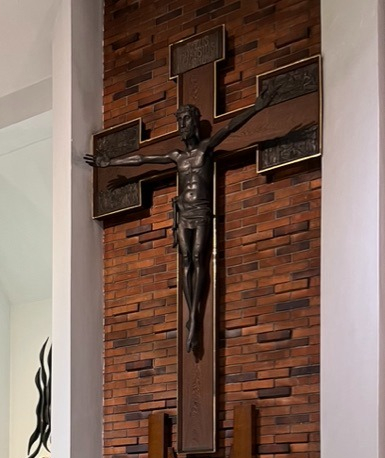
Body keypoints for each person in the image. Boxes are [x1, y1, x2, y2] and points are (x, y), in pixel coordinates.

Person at [87, 87, 275, 353]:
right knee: (186, 260)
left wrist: (255, 108)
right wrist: (110, 163)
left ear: (195, 123)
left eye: (186, 120)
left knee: (199, 257)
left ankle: (195, 318)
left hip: (201, 210)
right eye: (180, 121)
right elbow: (143, 159)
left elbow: (230, 127)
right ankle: (192, 315)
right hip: (184, 213)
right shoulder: (177, 157)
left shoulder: (205, 149)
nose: (182, 126)